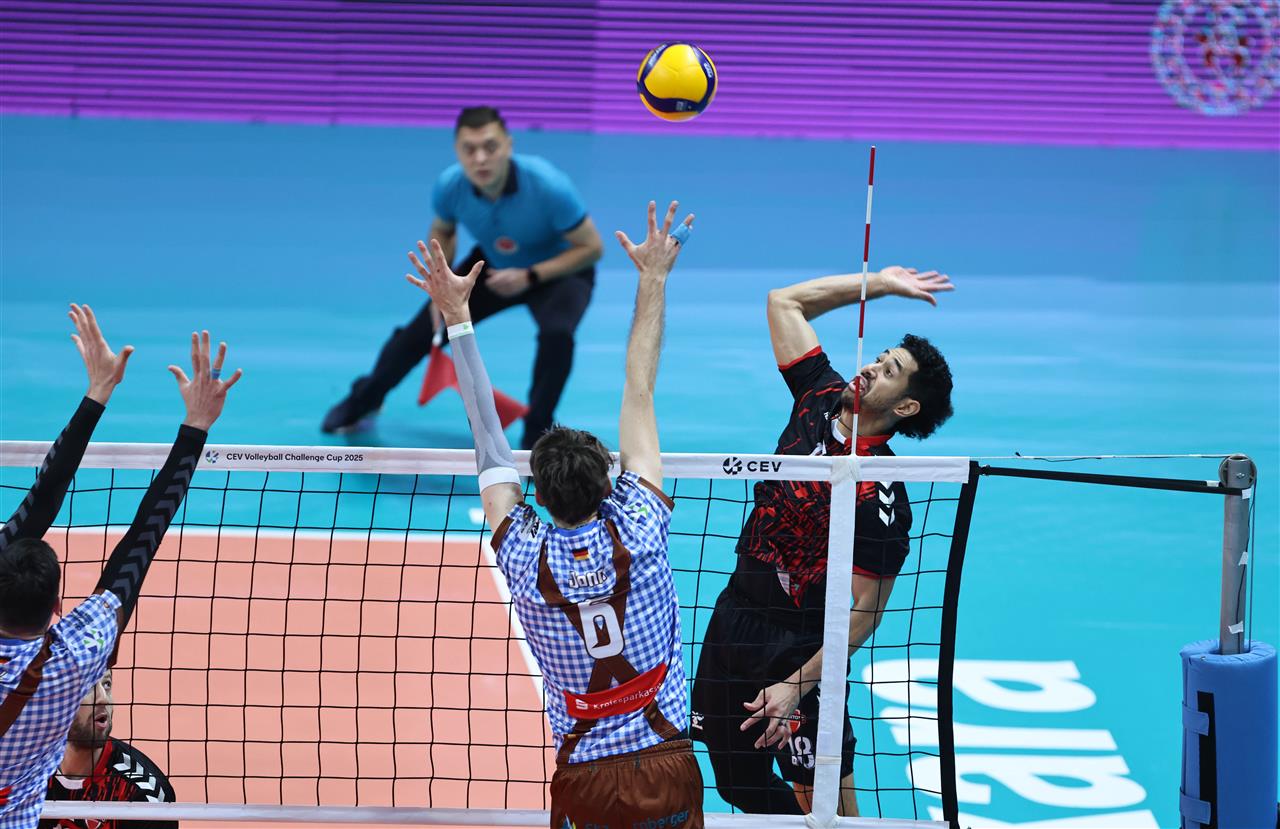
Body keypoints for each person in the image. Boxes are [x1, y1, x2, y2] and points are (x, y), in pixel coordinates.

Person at [404, 200, 703, 828]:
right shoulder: (642, 524)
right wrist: (653, 278)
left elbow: (487, 433)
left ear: (537, 495)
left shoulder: (522, 552)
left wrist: (457, 316)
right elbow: (640, 388)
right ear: (609, 482)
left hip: (585, 780)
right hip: (667, 766)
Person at [689, 268, 956, 816]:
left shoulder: (881, 494)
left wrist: (796, 685)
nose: (871, 367)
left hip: (801, 644)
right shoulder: (819, 393)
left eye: (889, 371)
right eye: (878, 357)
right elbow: (784, 302)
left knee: (829, 810)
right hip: (734, 619)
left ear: (905, 407)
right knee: (736, 787)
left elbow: (864, 612)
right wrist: (879, 282)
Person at [0, 305, 240, 828]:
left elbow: (38, 503)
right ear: (58, 606)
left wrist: (96, 393)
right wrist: (196, 426)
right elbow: (138, 548)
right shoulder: (72, 661)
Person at [323, 105, 605, 449]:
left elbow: (591, 247)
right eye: (469, 150)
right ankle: (364, 398)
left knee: (557, 335)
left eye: (490, 147)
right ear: (458, 151)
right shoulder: (451, 186)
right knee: (423, 330)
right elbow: (443, 230)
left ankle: (538, 430)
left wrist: (531, 275)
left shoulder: (548, 186)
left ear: (509, 145)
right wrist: (439, 284)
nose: (480, 159)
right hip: (492, 267)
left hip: (558, 272)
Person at [40, 670, 177, 829]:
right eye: (88, 685)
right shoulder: (24, 768)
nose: (103, 698)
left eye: (107, 684)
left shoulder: (144, 794)